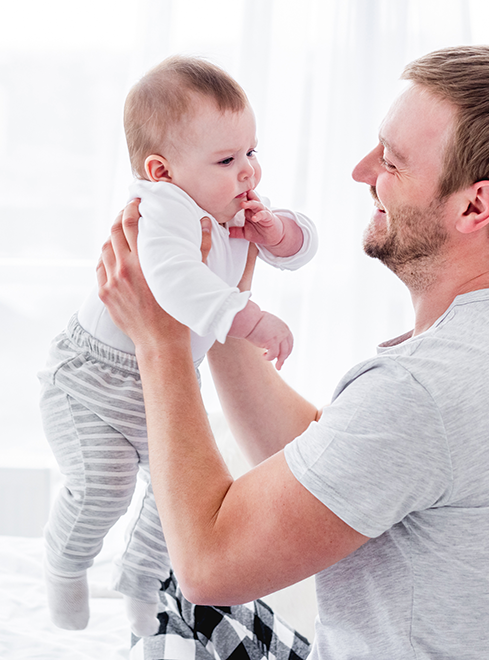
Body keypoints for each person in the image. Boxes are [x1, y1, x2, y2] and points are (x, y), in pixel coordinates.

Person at [95, 44, 489, 659]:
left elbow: (208, 564)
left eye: (391, 160)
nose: (362, 172)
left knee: (174, 589)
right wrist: (222, 307)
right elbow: (342, 462)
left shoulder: (425, 392)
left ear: (474, 206)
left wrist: (160, 341)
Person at [38, 55, 317, 637]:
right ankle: (65, 565)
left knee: (183, 501)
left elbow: (298, 247)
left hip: (161, 376)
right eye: (226, 160)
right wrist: (251, 318)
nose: (248, 173)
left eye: (251, 152)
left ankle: (140, 583)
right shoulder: (162, 209)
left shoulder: (226, 203)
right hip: (95, 378)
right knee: (104, 489)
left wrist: (280, 233)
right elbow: (172, 282)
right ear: (161, 170)